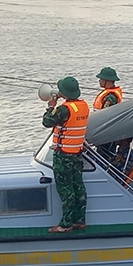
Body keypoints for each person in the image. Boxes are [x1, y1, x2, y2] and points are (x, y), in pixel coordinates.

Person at [42, 76, 88, 233]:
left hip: (63, 156)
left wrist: (51, 106)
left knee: (65, 190)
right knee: (78, 187)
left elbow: (47, 122)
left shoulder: (63, 110)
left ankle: (66, 224)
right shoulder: (83, 106)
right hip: (77, 153)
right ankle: (79, 220)